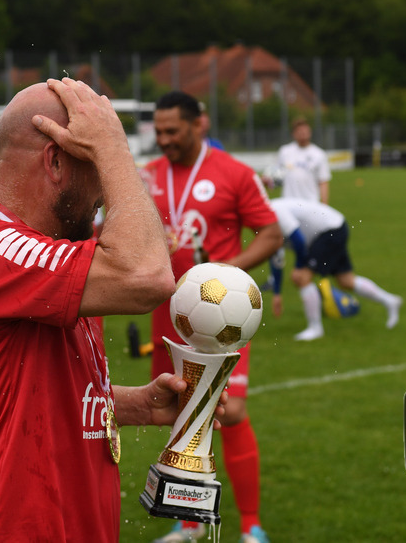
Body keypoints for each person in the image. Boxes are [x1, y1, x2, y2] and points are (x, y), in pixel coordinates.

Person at [0, 78, 205, 541]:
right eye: (94, 164)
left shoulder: (61, 256)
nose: (103, 192)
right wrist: (115, 149)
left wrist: (135, 404)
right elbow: (148, 276)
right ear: (56, 161)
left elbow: (35, 398)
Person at [143, 90, 282, 543]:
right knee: (178, 412)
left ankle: (251, 526)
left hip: (222, 322)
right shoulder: (145, 176)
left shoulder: (234, 173)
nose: (164, 139)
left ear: (198, 125)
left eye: (172, 130)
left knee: (232, 411)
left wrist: (224, 275)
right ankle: (188, 523)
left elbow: (271, 233)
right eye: (158, 131)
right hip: (169, 319)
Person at [268, 197, 402, 339]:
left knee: (301, 278)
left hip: (330, 230)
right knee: (346, 280)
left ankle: (315, 328)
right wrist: (277, 293)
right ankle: (390, 300)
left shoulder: (275, 211)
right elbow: (275, 257)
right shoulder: (267, 222)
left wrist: (299, 267)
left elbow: (299, 242)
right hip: (334, 227)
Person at [267, 115, 331, 204]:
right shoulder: (284, 151)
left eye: (305, 130)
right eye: (299, 131)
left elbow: (323, 181)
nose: (302, 133)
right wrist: (269, 181)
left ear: (310, 132)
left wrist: (324, 204)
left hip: (311, 202)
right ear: (293, 134)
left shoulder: (319, 154)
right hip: (288, 202)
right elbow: (275, 174)